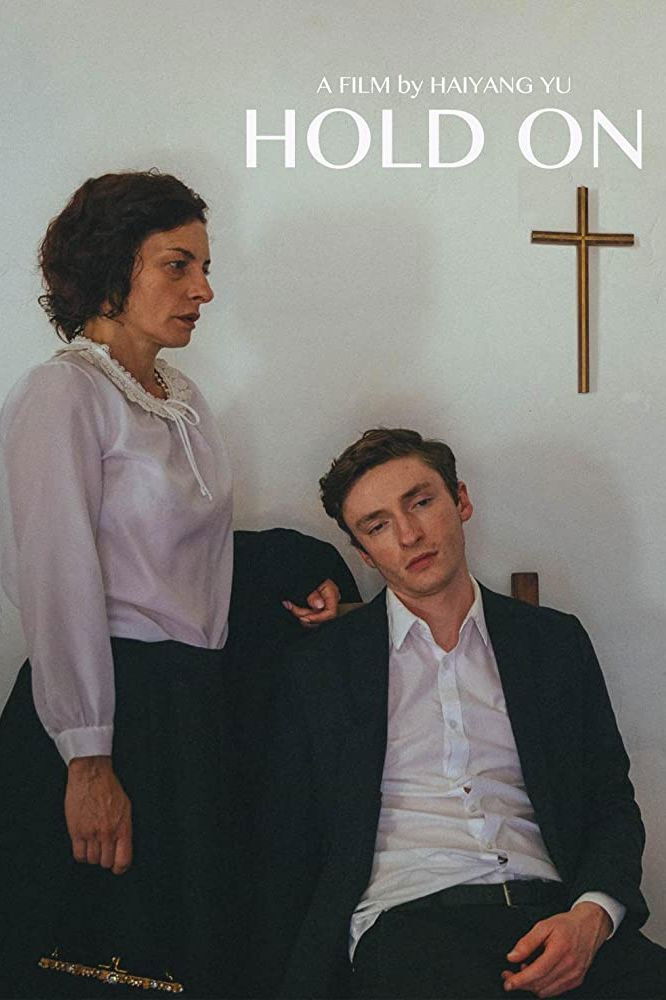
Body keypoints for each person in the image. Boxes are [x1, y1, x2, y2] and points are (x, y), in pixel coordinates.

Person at [0, 170, 358, 998]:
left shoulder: (182, 399)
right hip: (109, 711)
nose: (203, 289)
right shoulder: (64, 393)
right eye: (177, 265)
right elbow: (56, 579)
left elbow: (189, 562)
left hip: (192, 712)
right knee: (101, 959)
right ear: (110, 267)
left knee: (193, 952)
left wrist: (298, 595)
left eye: (203, 266)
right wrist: (87, 760)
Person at [256, 428, 666, 999]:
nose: (409, 535)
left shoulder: (552, 642)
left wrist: (592, 916)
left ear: (461, 501)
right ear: (363, 553)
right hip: (408, 925)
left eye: (421, 502)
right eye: (377, 526)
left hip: (557, 914)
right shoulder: (320, 667)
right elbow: (287, 841)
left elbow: (609, 799)